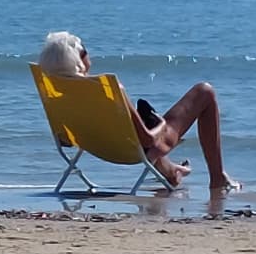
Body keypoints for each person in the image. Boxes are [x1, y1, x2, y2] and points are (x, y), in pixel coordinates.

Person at [37, 31, 239, 192]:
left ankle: (172, 171)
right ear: (80, 59)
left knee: (140, 127)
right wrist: (159, 124)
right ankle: (217, 177)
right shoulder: (107, 89)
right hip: (131, 151)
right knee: (204, 92)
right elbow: (147, 141)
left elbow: (64, 140)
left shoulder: (55, 92)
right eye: (85, 51)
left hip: (98, 147)